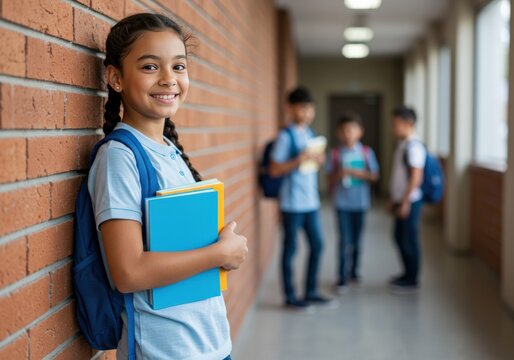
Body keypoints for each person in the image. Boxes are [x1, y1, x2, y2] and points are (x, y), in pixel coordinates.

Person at [88, 13, 248, 359]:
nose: (168, 79)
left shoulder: (168, 150)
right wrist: (220, 253)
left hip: (210, 344)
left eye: (178, 67)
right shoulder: (119, 158)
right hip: (165, 351)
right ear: (115, 78)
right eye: (149, 67)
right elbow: (127, 272)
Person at [269, 87, 331, 309]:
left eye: (310, 108)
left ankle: (311, 291)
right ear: (290, 108)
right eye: (302, 108)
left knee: (317, 245)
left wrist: (318, 160)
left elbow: (310, 163)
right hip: (292, 203)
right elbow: (274, 169)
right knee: (291, 250)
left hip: (311, 202)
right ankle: (290, 297)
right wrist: (298, 159)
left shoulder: (310, 134)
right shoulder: (285, 137)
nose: (306, 113)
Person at [327, 113, 379, 294]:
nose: (348, 133)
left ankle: (354, 272)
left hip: (361, 204)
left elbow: (374, 176)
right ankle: (341, 278)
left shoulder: (366, 152)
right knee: (344, 241)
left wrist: (357, 173)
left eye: (351, 129)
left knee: (357, 240)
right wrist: (339, 175)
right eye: (344, 130)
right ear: (339, 133)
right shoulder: (334, 153)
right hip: (342, 204)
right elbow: (328, 177)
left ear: (360, 132)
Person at [388, 106, 426, 291]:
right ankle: (406, 273)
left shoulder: (414, 147)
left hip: (410, 201)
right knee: (399, 237)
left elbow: (416, 177)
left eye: (396, 124)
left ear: (409, 124)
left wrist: (404, 202)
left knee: (408, 239)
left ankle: (412, 278)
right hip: (401, 200)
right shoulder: (403, 144)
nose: (393, 128)